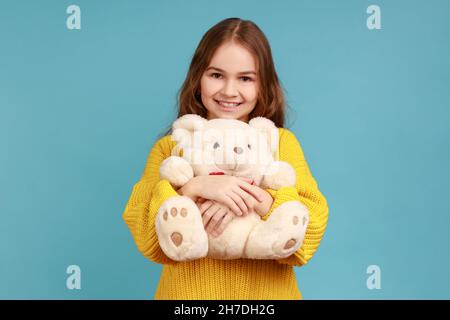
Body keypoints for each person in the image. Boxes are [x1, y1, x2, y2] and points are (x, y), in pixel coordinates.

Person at [122, 17, 328, 300]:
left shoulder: (280, 144)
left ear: (263, 85)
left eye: (245, 78)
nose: (229, 91)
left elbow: (310, 226)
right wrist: (194, 188)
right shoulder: (171, 148)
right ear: (198, 77)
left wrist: (248, 198)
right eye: (216, 75)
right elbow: (146, 233)